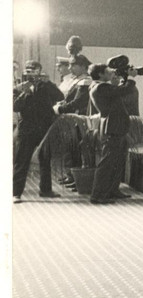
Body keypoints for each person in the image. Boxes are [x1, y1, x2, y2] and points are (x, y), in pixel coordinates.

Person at [12, 60, 64, 203]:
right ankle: (16, 193)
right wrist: (24, 92)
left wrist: (48, 83)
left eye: (34, 69)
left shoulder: (46, 86)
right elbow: (15, 107)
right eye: (28, 69)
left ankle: (46, 190)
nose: (31, 72)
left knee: (45, 159)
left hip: (44, 128)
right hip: (26, 129)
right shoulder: (19, 87)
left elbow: (60, 97)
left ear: (40, 71)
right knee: (21, 161)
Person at [88, 60, 138, 204]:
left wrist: (123, 81)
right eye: (108, 72)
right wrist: (131, 78)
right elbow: (123, 91)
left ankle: (111, 190)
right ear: (100, 74)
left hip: (115, 126)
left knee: (116, 161)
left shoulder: (99, 86)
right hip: (113, 128)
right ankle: (97, 195)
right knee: (107, 163)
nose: (111, 74)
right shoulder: (101, 87)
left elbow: (117, 92)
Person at [54, 54, 93, 189]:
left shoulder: (85, 80)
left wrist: (61, 108)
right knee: (71, 149)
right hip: (72, 119)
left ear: (83, 66)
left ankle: (79, 179)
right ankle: (73, 176)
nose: (70, 68)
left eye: (73, 65)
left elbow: (79, 102)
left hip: (80, 119)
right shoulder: (76, 80)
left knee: (78, 150)